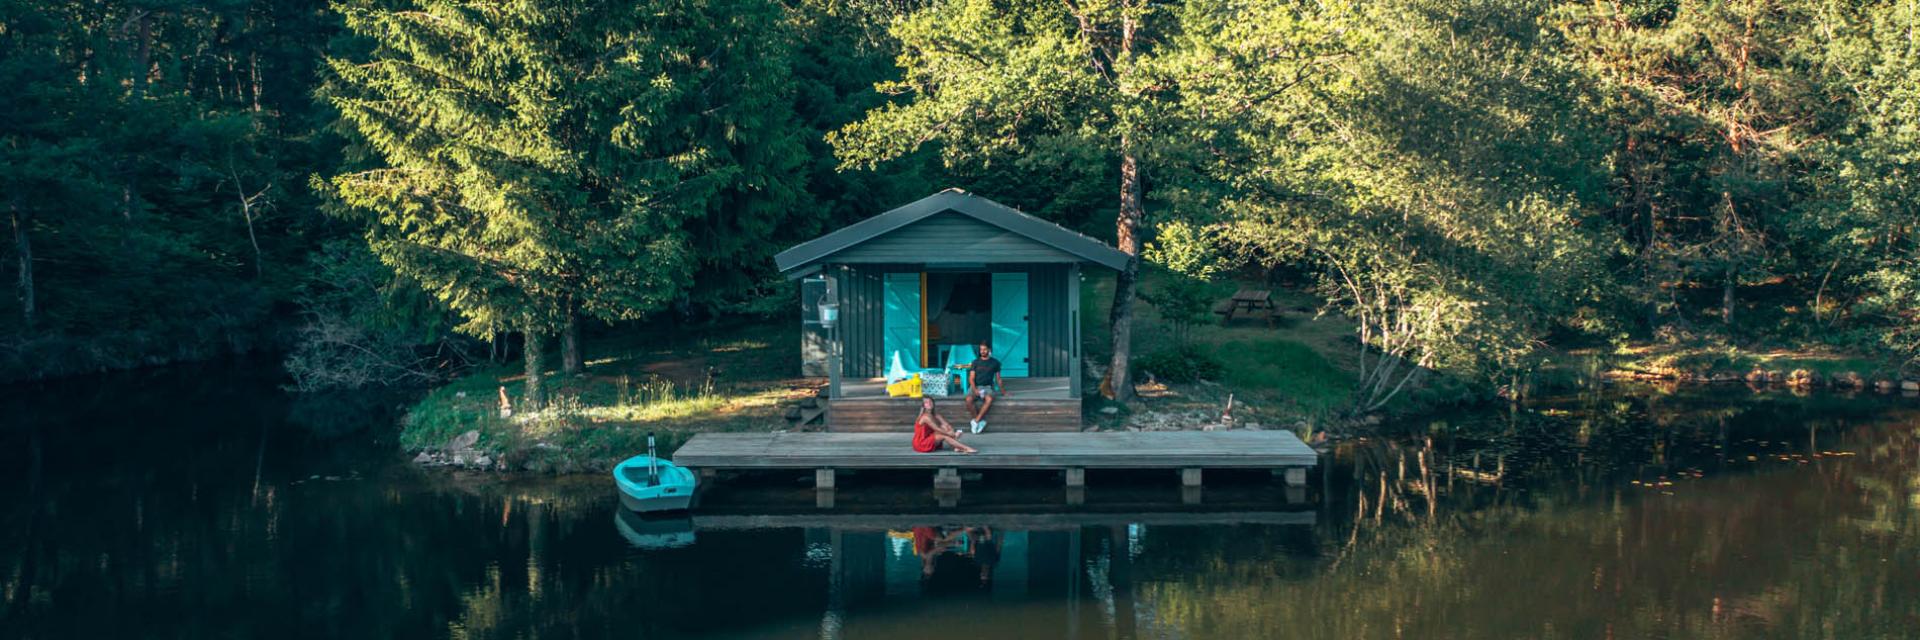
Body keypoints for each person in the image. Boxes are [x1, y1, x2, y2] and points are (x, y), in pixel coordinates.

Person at [963, 343, 1006, 433]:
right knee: (968, 399)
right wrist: (975, 389)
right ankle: (979, 421)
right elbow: (971, 378)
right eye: (981, 349)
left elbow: (998, 379)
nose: (982, 351)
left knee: (989, 399)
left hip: (987, 387)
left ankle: (975, 421)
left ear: (989, 350)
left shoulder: (995, 363)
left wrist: (1004, 392)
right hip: (975, 386)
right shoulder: (975, 362)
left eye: (984, 349)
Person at [913, 397, 977, 454]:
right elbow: (936, 429)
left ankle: (957, 446)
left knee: (944, 427)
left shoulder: (936, 415)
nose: (929, 403)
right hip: (921, 443)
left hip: (929, 437)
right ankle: (965, 448)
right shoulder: (925, 417)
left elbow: (947, 425)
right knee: (943, 435)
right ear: (924, 406)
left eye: (930, 401)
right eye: (926, 402)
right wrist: (951, 434)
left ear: (933, 403)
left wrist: (952, 433)